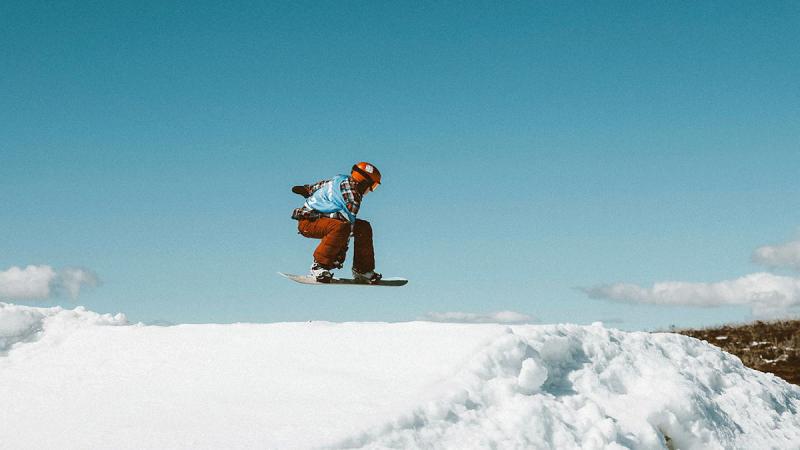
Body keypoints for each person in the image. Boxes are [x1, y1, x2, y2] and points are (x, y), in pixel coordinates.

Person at [291, 162, 383, 283]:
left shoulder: (341, 179)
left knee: (363, 227)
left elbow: (322, 185)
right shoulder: (352, 197)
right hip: (308, 222)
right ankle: (319, 266)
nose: (371, 190)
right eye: (372, 186)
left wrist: (307, 189)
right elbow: (347, 227)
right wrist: (339, 256)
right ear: (363, 182)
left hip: (323, 219)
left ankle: (363, 270)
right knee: (340, 226)